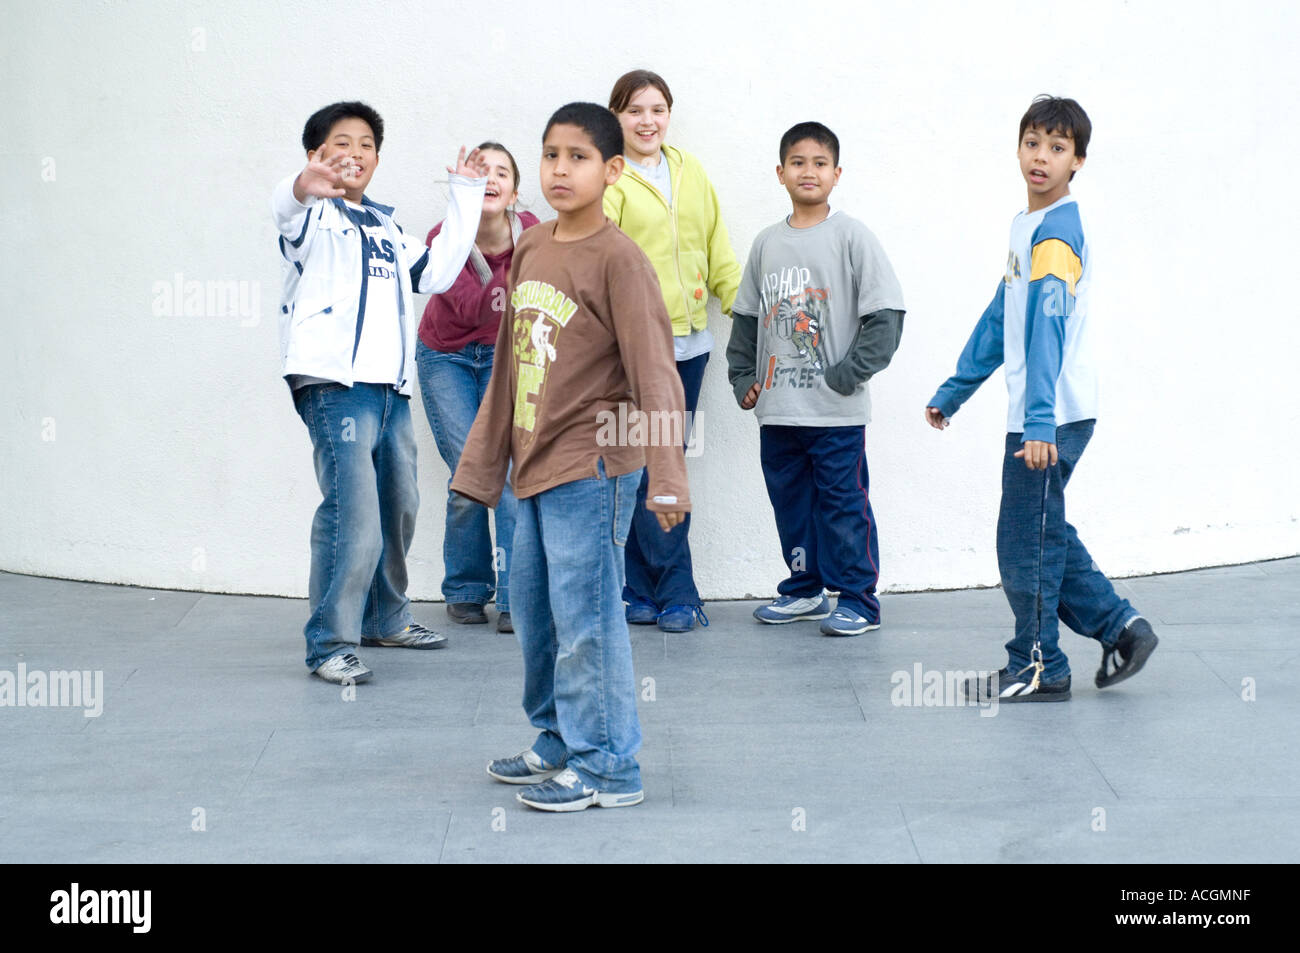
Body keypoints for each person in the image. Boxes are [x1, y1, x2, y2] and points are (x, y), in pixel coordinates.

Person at [452, 103, 688, 811]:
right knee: (536, 610)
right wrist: (481, 468)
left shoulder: (621, 260)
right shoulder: (533, 247)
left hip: (595, 466)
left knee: (587, 619)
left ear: (612, 170)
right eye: (550, 154)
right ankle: (558, 735)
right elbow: (506, 366)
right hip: (535, 466)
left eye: (577, 156)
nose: (560, 168)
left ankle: (611, 764)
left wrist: (668, 479)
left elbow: (656, 373)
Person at [925, 95, 1159, 701]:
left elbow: (1047, 329)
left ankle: (1039, 665)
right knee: (1043, 528)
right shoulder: (1026, 225)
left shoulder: (1057, 234)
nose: (1042, 157)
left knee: (1023, 540)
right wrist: (956, 389)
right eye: (1033, 143)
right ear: (1019, 148)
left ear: (1078, 160)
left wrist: (1038, 423)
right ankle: (1121, 628)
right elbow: (1004, 315)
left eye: (1058, 148)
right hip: (1047, 412)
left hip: (1049, 415)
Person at [270, 100, 487, 683]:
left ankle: (386, 619)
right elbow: (285, 208)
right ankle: (329, 644)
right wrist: (302, 187)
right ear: (316, 153)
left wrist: (465, 195)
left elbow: (439, 273)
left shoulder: (388, 229)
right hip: (336, 386)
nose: (355, 154)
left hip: (391, 388)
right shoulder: (311, 218)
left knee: (398, 506)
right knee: (353, 512)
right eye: (342, 143)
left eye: (366, 144)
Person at [727, 122, 905, 637]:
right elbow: (745, 320)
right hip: (779, 411)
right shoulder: (766, 243)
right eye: (798, 162)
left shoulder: (851, 236)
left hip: (835, 413)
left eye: (820, 163)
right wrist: (743, 379)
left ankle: (858, 600)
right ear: (781, 173)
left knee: (843, 506)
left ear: (837, 173)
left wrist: (846, 376)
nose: (809, 171)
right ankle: (804, 590)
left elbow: (887, 316)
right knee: (792, 505)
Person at [603, 69, 742, 633]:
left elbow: (719, 254)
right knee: (638, 466)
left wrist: (751, 316)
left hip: (691, 347)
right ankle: (672, 592)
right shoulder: (609, 178)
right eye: (635, 110)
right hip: (630, 350)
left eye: (657, 109)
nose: (647, 121)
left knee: (666, 462)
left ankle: (647, 588)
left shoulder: (691, 172)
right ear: (617, 116)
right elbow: (600, 266)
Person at [416, 142, 540, 635]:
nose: (490, 178)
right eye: (479, 172)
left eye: (501, 172)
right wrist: (463, 216)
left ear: (514, 192)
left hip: (505, 358)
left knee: (509, 474)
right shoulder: (445, 237)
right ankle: (466, 590)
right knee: (469, 473)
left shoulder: (533, 235)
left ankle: (515, 596)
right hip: (446, 356)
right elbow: (472, 309)